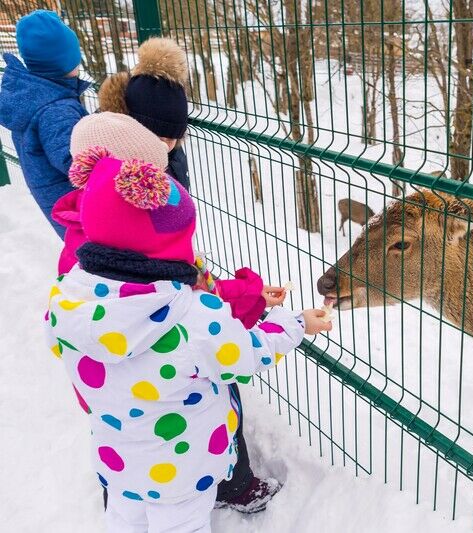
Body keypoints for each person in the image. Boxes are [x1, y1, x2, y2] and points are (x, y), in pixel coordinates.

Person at [46, 111, 332, 531]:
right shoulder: (192, 316)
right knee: (180, 522)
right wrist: (296, 324)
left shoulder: (66, 297)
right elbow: (247, 355)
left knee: (124, 516)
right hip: (182, 466)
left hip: (117, 456)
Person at [0, 10, 89, 238]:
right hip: (79, 210)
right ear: (64, 62)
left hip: (60, 203)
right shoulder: (56, 110)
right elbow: (77, 164)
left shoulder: (38, 97)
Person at [97, 37, 190, 189]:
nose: (164, 145)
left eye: (171, 138)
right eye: (157, 137)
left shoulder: (175, 156)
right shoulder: (119, 167)